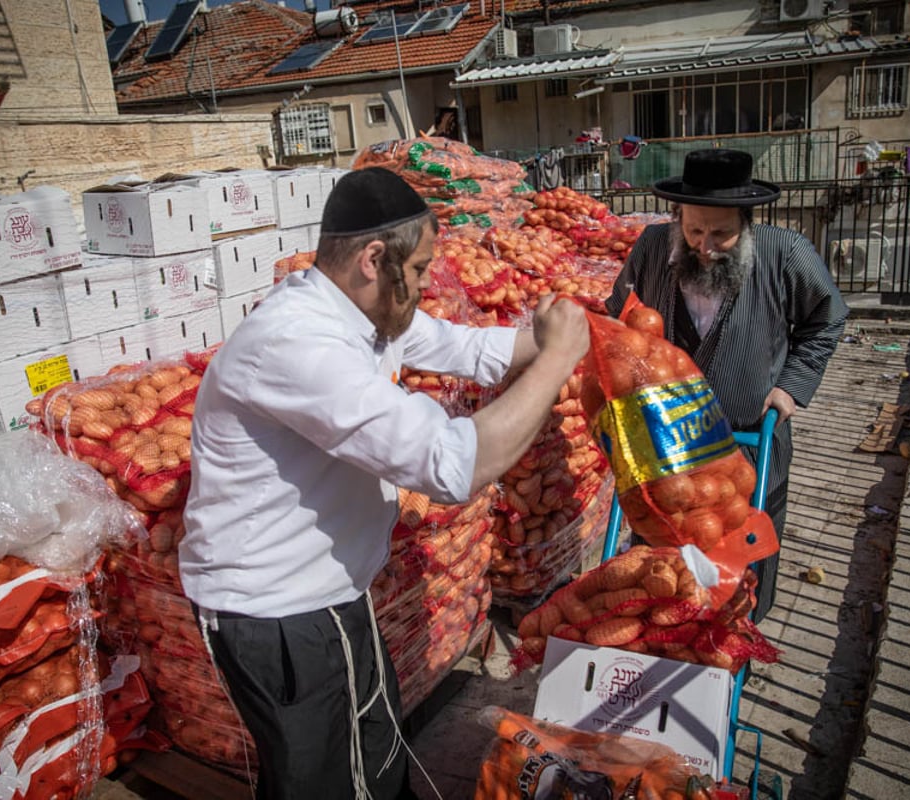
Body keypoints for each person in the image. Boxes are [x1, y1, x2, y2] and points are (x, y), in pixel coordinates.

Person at [179, 167, 590, 800]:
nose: (426, 286)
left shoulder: (363, 312)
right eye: (421, 270)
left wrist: (552, 336)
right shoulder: (299, 343)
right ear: (375, 259)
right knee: (322, 785)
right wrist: (558, 360)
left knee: (375, 758)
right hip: (280, 612)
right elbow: (453, 465)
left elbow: (463, 347)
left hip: (331, 594)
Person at [605, 149, 848, 623]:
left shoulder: (785, 253)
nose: (705, 244)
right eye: (694, 229)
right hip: (665, 453)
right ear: (678, 217)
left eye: (720, 232)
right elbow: (620, 315)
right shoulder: (654, 248)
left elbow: (827, 319)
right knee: (661, 571)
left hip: (748, 451)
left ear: (747, 222)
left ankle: (736, 650)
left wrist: (792, 387)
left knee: (740, 579)